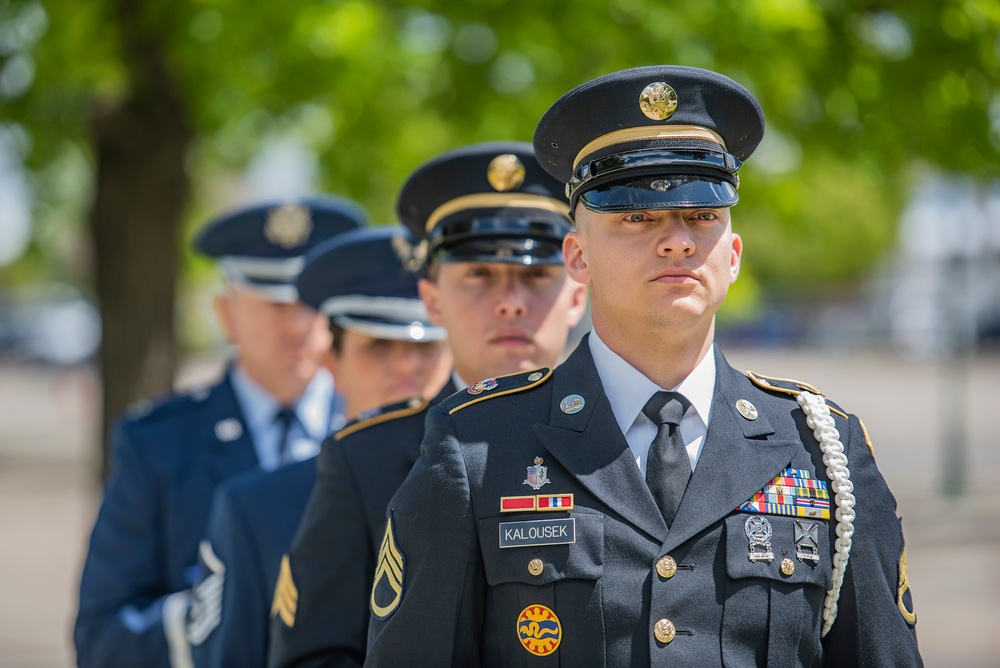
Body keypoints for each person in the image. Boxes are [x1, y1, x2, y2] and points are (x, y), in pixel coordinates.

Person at [363, 66, 923, 666]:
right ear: (576, 256)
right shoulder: (476, 445)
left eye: (702, 217)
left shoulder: (820, 447)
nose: (678, 240)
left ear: (732, 257)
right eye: (637, 217)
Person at [267, 142, 589, 667]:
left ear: (577, 294)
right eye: (478, 276)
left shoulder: (628, 438)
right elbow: (315, 655)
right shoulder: (364, 460)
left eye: (535, 276)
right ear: (433, 300)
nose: (510, 300)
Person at [74, 196, 365, 668]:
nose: (296, 323)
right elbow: (103, 638)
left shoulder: (374, 433)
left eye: (311, 301)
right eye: (273, 302)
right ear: (227, 313)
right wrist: (223, 609)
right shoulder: (157, 444)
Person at [187, 225, 452, 668]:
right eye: (379, 346)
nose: (407, 366)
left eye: (425, 347)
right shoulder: (256, 507)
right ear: (331, 361)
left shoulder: (492, 480)